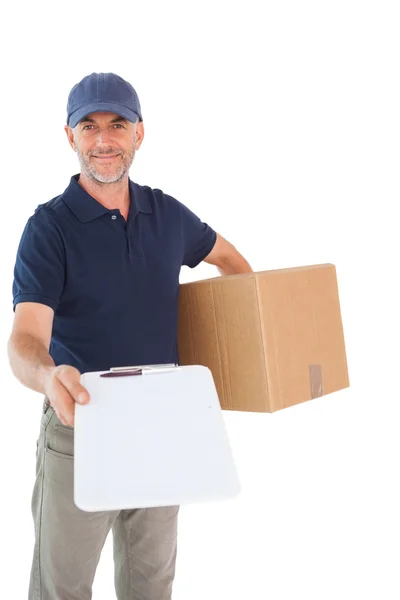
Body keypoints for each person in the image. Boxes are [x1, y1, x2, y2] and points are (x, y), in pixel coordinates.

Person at [7, 72, 253, 600]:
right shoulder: (48, 229)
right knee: (62, 588)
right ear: (69, 136)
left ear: (140, 133)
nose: (103, 139)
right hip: (81, 423)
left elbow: (232, 262)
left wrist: (240, 354)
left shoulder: (166, 213)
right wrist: (49, 376)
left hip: (164, 424)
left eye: (117, 124)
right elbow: (25, 339)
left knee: (152, 585)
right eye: (88, 126)